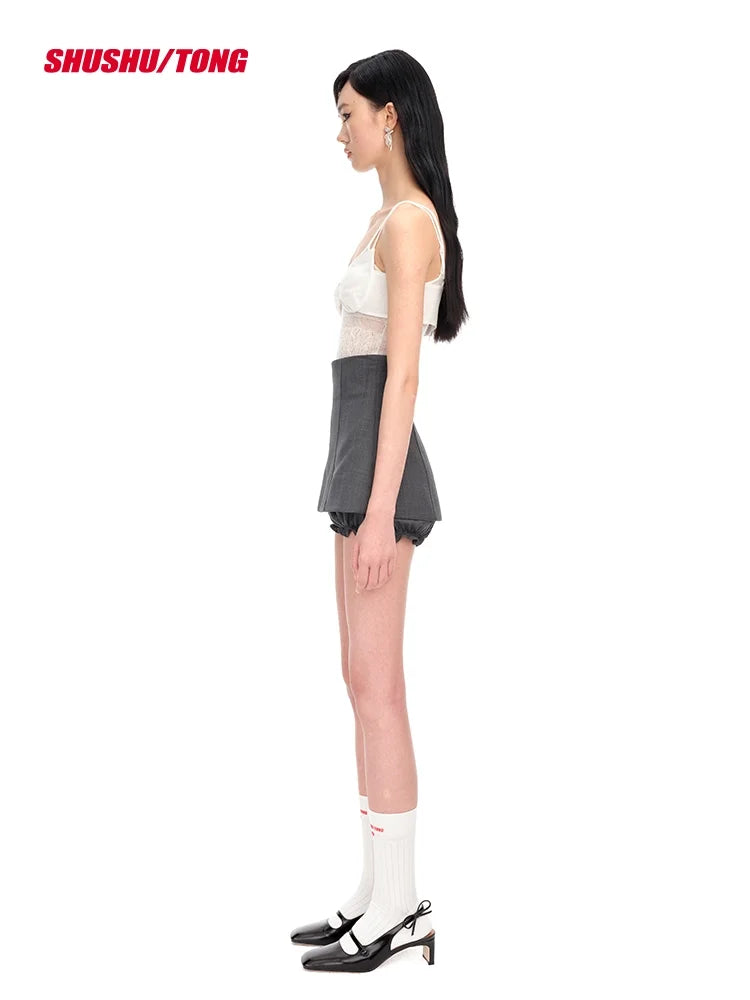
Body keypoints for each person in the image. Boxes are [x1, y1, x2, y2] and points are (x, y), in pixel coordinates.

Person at [291, 49, 467, 974]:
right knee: (357, 676)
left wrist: (378, 509)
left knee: (381, 686)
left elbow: (403, 377)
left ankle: (402, 910)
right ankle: (375, 887)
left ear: (390, 115)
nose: (341, 132)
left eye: (350, 114)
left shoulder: (409, 224)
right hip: (354, 452)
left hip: (380, 468)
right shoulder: (381, 219)